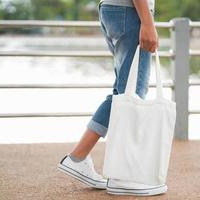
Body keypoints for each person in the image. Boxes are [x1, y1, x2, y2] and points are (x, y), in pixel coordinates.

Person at [57, 0, 167, 196]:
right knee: (130, 94)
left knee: (124, 92)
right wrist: (147, 22)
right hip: (130, 11)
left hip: (114, 10)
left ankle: (81, 158)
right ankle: (122, 177)